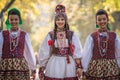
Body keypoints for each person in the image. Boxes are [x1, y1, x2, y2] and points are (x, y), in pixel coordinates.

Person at [38, 4, 83, 80]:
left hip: (68, 65)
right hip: (54, 65)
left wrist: (79, 67)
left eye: (62, 19)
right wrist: (42, 68)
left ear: (66, 21)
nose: (60, 21)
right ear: (55, 21)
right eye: (58, 20)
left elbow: (77, 51)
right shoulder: (50, 35)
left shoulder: (71, 35)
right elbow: (45, 51)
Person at [82, 9, 120, 80]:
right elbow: (87, 54)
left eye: (104, 19)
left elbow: (119, 53)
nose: (102, 21)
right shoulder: (92, 36)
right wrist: (84, 70)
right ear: (96, 22)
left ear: (107, 20)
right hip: (95, 70)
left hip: (112, 69)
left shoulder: (114, 36)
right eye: (99, 20)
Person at [0, 8, 36, 80]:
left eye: (16, 19)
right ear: (8, 20)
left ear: (19, 20)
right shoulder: (2, 34)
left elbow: (29, 52)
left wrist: (33, 68)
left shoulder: (24, 34)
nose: (14, 21)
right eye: (11, 19)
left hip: (21, 66)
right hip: (5, 66)